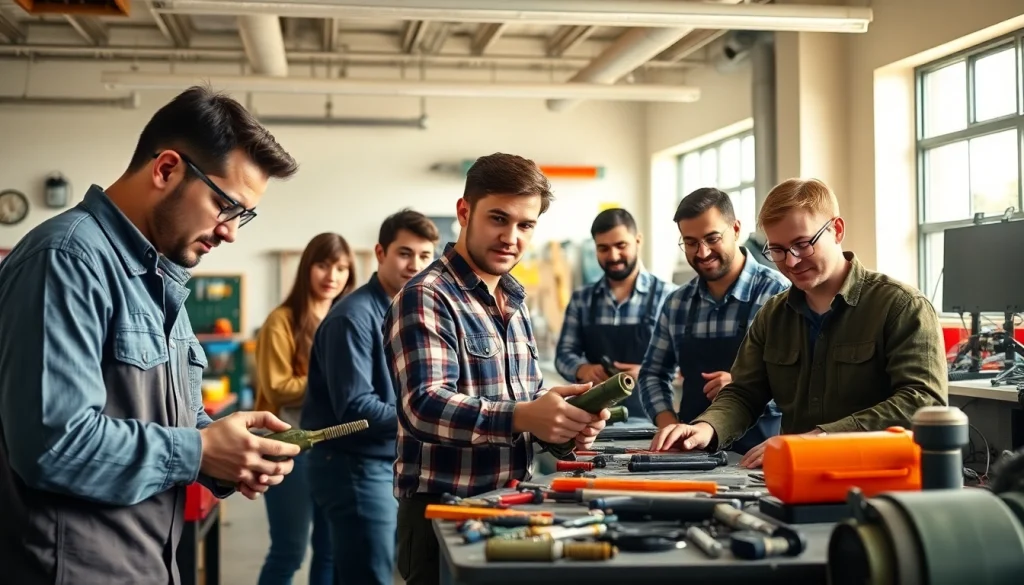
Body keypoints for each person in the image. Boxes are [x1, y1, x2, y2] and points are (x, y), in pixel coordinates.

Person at [0, 86, 301, 585]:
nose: (231, 232)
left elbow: (163, 420)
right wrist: (200, 450)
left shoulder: (160, 277)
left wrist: (232, 451)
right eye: (226, 205)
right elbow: (54, 444)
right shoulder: (67, 260)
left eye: (242, 215)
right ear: (166, 170)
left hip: (148, 566)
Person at [382, 153, 610, 585]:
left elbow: (527, 413)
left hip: (514, 506)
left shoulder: (514, 302)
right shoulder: (426, 296)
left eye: (525, 225)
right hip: (443, 513)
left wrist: (564, 423)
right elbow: (424, 406)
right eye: (498, 219)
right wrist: (525, 415)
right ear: (464, 212)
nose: (511, 237)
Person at [649, 178, 949, 467]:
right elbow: (744, 393)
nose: (791, 262)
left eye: (802, 244)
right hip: (796, 476)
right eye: (777, 250)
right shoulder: (773, 315)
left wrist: (820, 438)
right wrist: (707, 428)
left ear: (837, 230)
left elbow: (922, 402)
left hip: (882, 477)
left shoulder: (901, 307)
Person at [302, 210, 439, 585]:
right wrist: (430, 416)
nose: (416, 265)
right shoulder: (353, 318)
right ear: (380, 253)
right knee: (370, 576)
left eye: (426, 256)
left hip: (388, 464)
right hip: (355, 467)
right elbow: (355, 409)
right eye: (405, 253)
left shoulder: (409, 312)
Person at [641, 188, 789, 454]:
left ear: (735, 229)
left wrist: (743, 389)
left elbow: (801, 384)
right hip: (691, 456)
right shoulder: (677, 303)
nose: (702, 252)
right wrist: (669, 425)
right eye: (690, 242)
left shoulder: (777, 294)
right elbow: (652, 373)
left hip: (761, 456)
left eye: (712, 238)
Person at [254, 232, 356, 585]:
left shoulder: (347, 319)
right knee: (289, 550)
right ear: (306, 268)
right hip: (286, 447)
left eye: (341, 268)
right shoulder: (280, 321)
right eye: (323, 265)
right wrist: (338, 383)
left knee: (329, 551)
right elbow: (278, 388)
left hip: (332, 449)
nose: (332, 276)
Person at [555, 208, 675, 421]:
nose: (613, 256)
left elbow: (686, 363)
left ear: (638, 240)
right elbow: (564, 354)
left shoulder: (669, 297)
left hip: (654, 421)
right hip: (594, 422)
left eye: (621, 246)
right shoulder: (582, 299)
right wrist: (583, 369)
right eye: (603, 248)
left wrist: (650, 373)